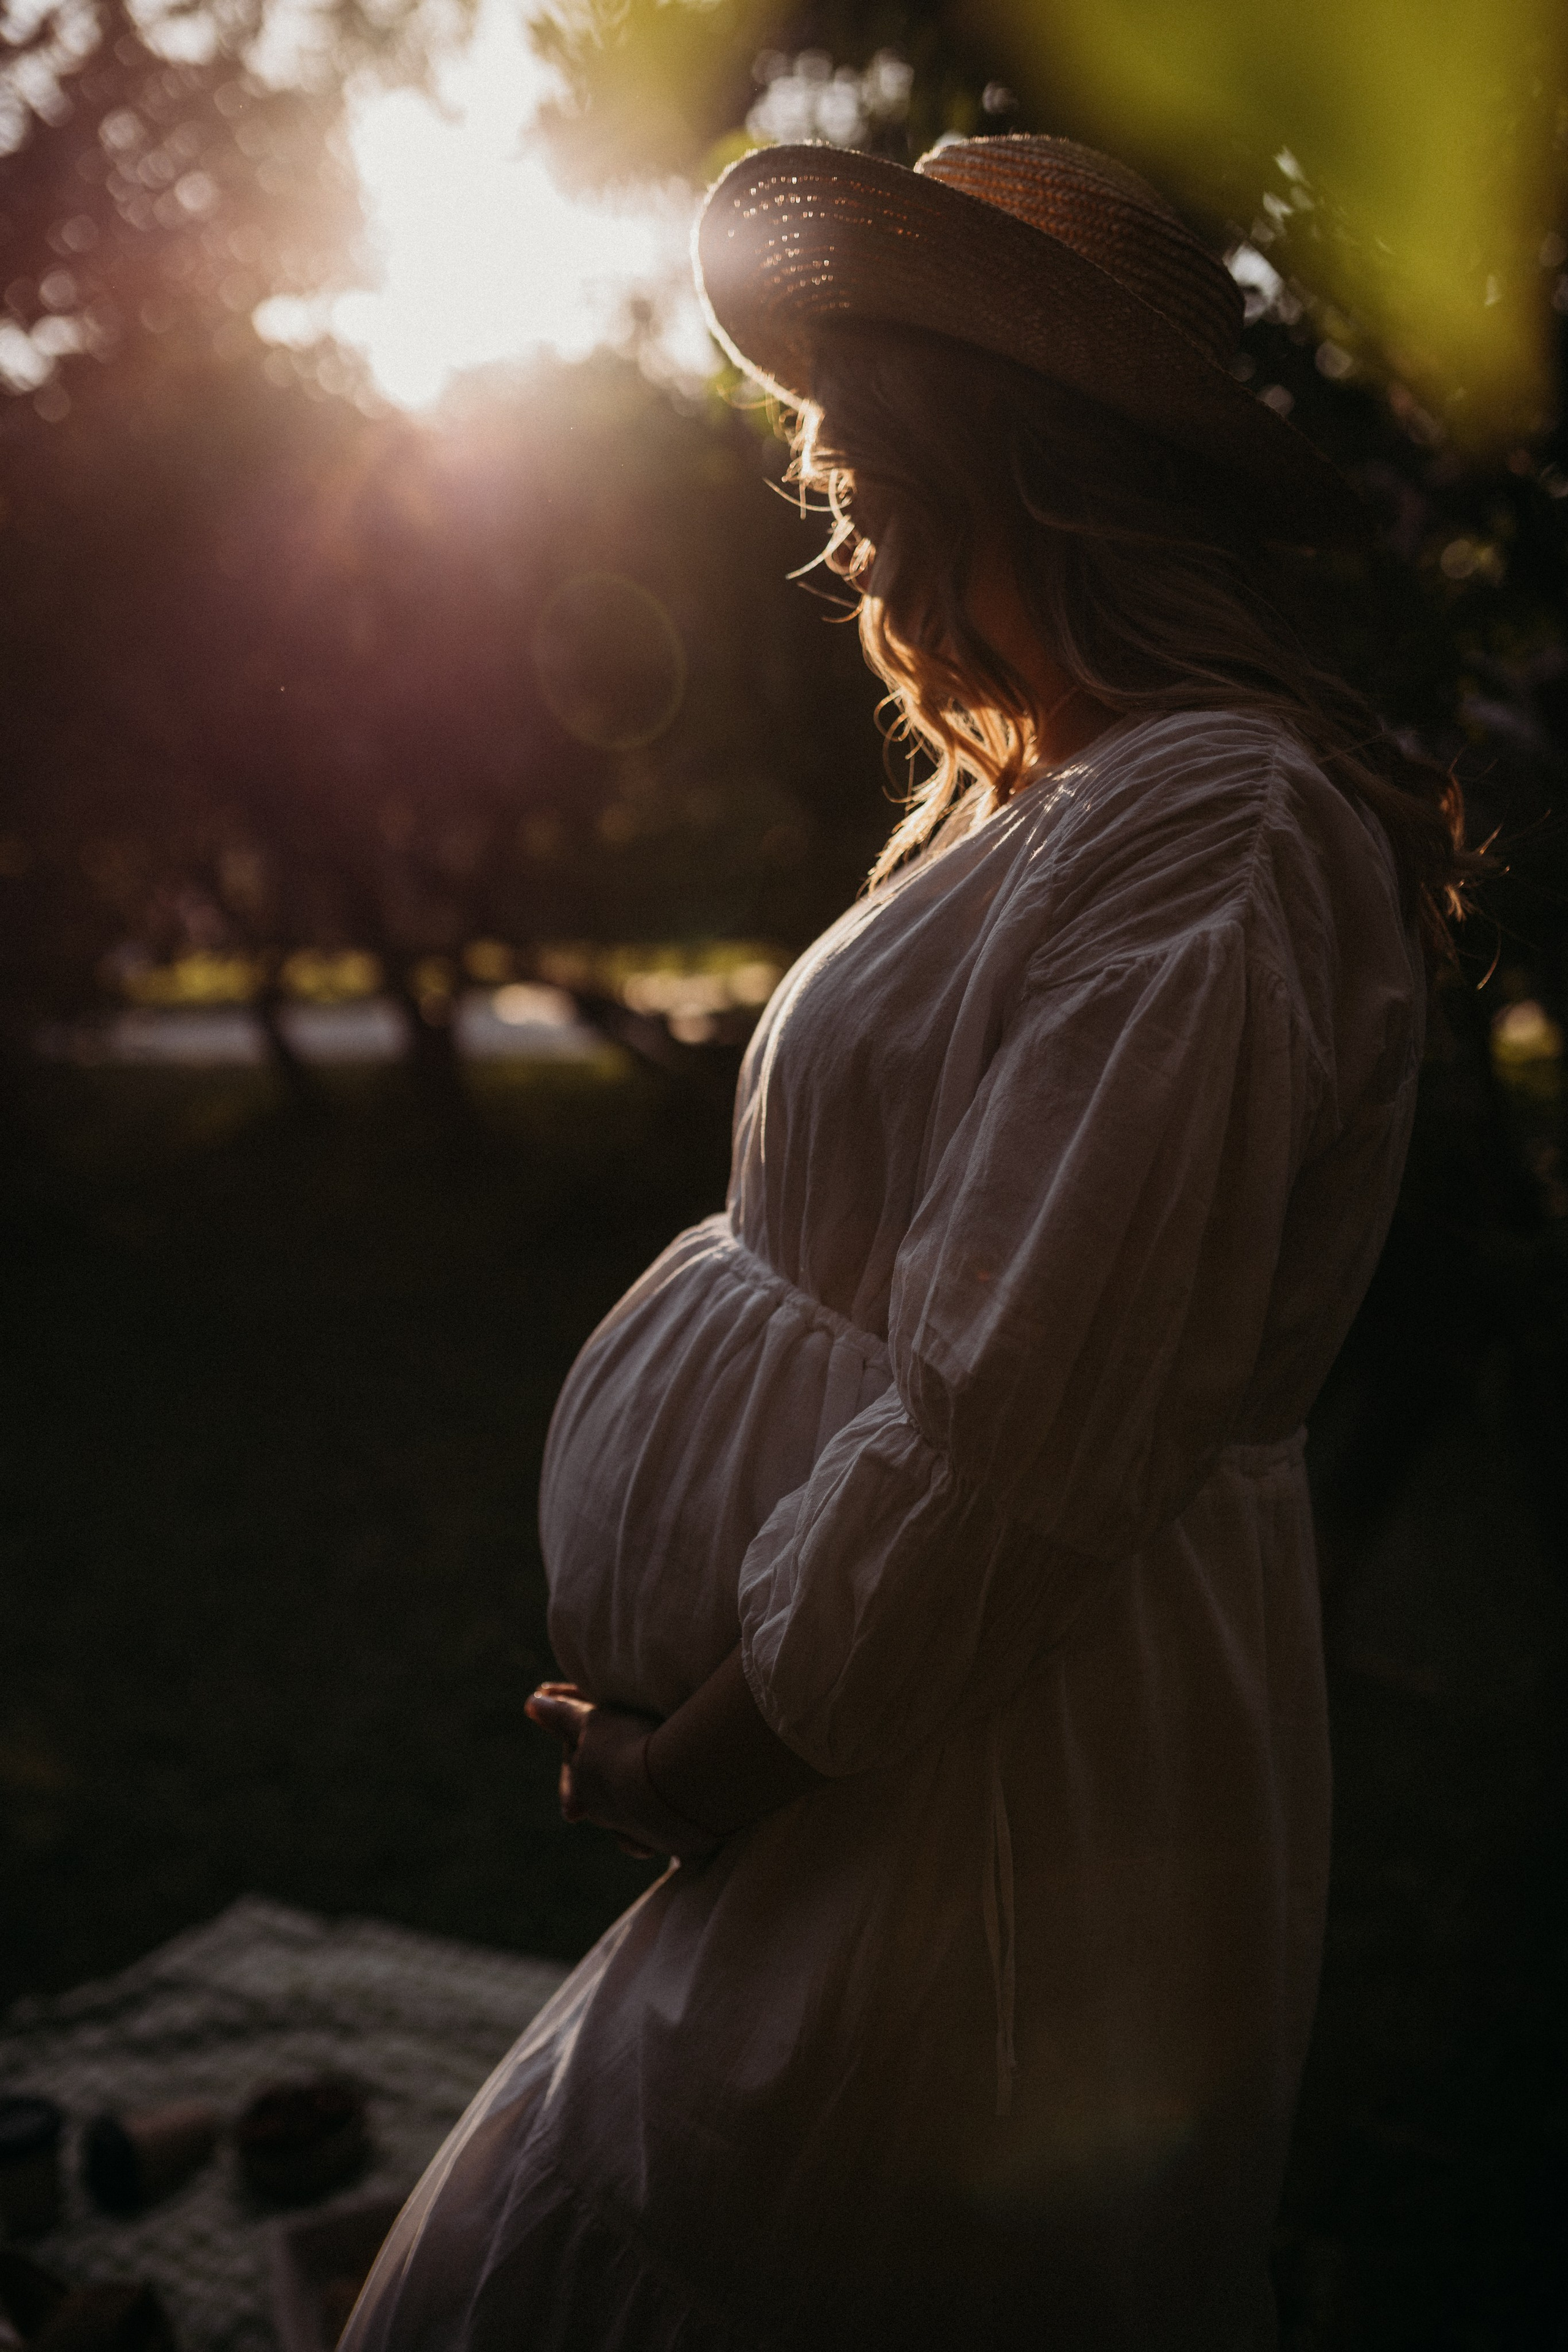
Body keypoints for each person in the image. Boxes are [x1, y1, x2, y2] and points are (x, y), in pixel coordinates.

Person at [340, 134, 1477, 2352]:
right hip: (881, 1739)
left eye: (863, 426)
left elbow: (1017, 1437)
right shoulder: (1061, 790)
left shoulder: (1218, 826)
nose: (824, 478)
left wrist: (708, 1763)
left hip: (984, 1769)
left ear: (1007, 455)